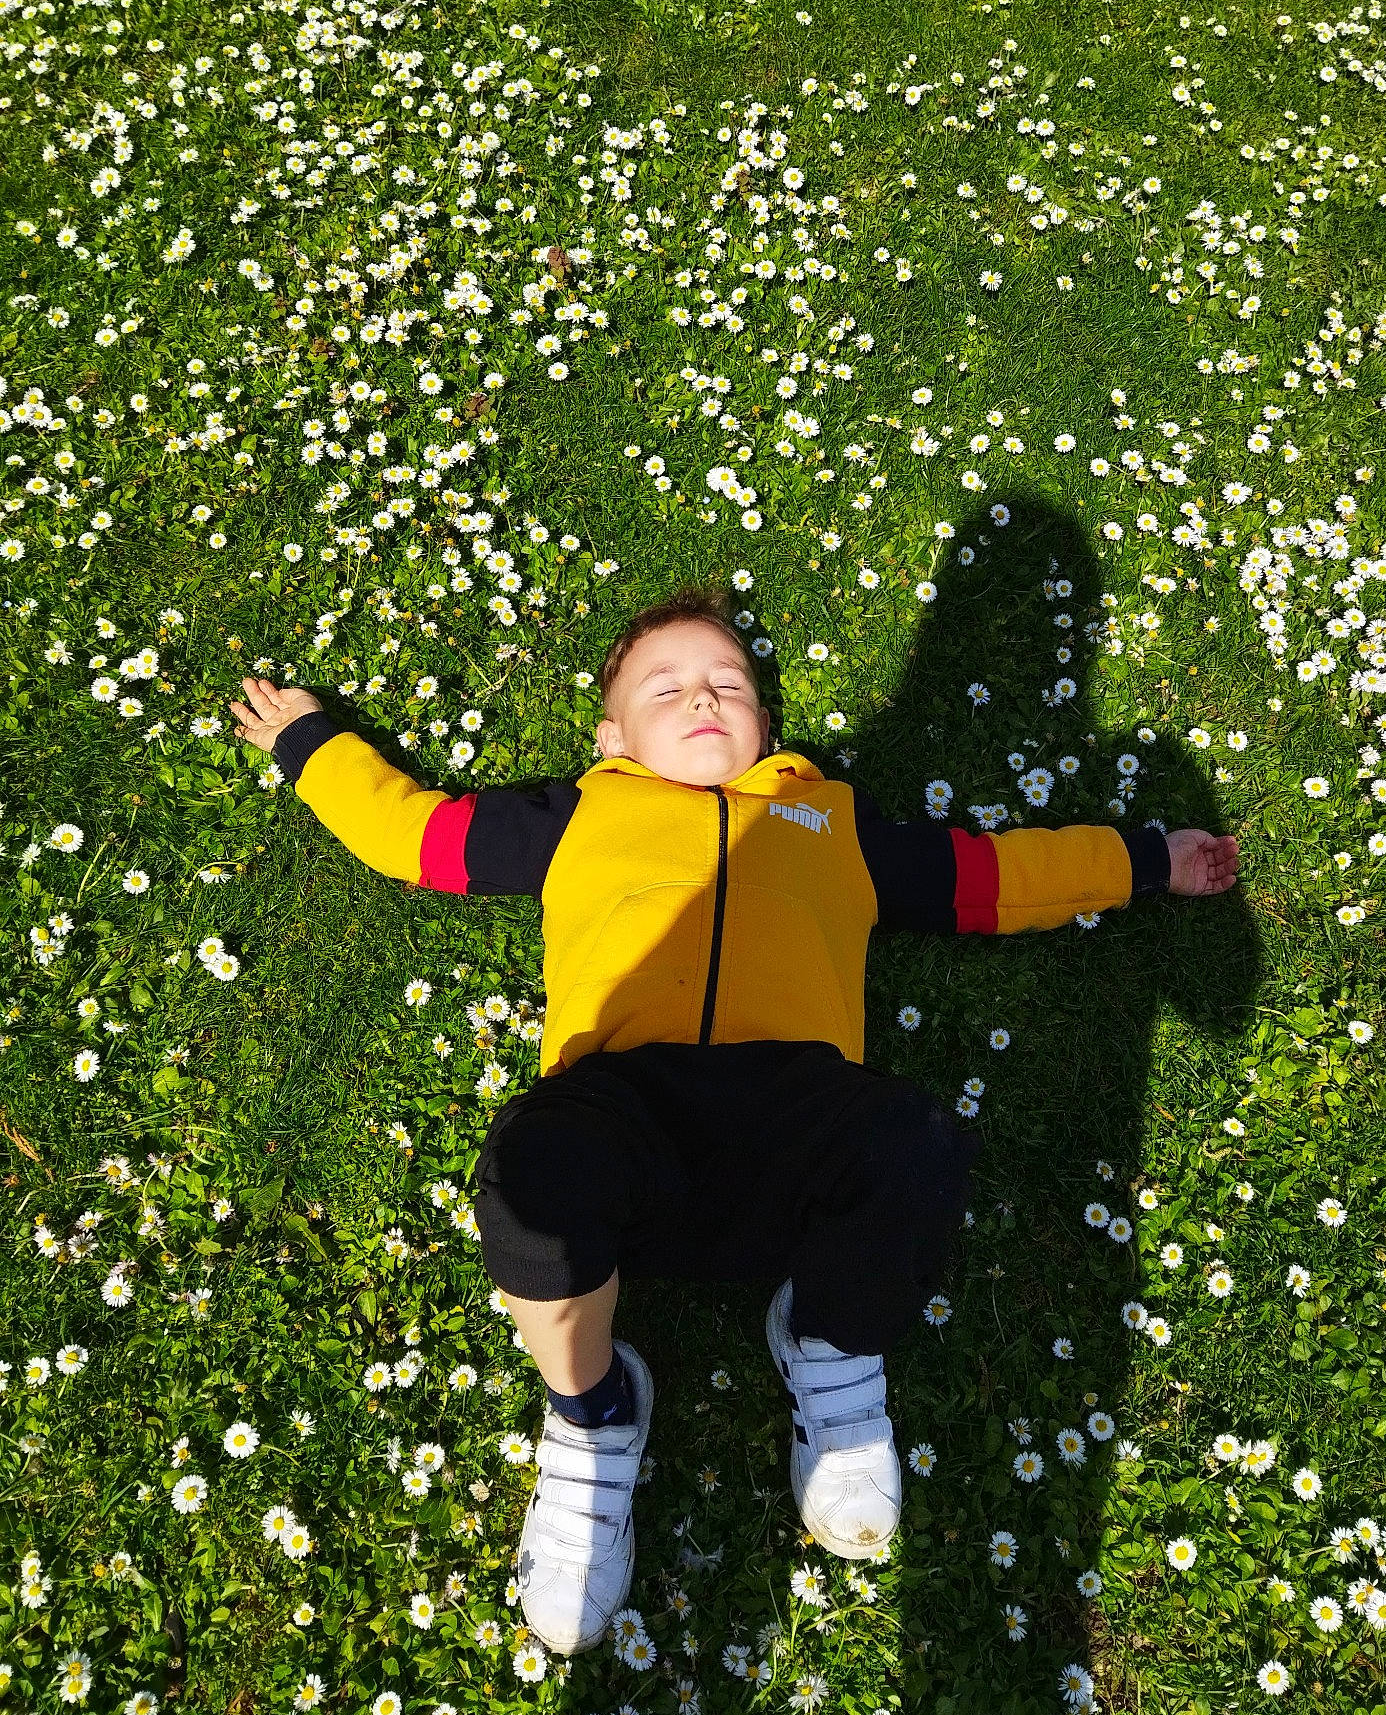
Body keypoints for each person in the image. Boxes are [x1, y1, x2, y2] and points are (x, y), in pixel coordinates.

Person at [230, 585, 1238, 1658]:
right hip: (620, 1118)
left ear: (765, 724)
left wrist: (1145, 860)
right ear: (612, 736)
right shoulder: (577, 815)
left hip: (796, 1122)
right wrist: (311, 743)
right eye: (665, 688)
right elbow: (417, 833)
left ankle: (830, 1346)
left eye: (728, 684)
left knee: (916, 1140)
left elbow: (986, 878)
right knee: (532, 1163)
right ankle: (593, 1411)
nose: (703, 698)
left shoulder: (831, 823)